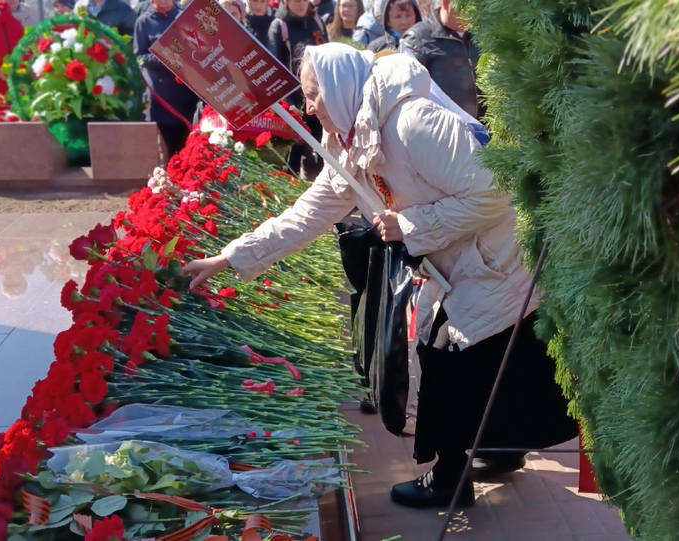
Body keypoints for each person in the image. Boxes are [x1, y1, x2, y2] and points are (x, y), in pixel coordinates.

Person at [181, 44, 578, 509]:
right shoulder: (349, 141)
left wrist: (407, 226)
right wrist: (229, 259)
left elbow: (494, 192)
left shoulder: (412, 121)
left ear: (339, 86)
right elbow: (306, 215)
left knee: (450, 361)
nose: (308, 107)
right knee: (488, 360)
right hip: (461, 259)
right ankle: (501, 449)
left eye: (313, 95)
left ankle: (450, 479)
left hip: (498, 258)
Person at [268, 0, 326, 178]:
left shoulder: (316, 21)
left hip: (319, 97)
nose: (300, 4)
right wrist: (288, 104)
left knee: (324, 150)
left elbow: (328, 56)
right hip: (294, 101)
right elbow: (274, 69)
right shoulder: (279, 26)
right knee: (293, 154)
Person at [133, 0, 198, 156]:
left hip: (186, 94)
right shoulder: (144, 22)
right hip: (161, 96)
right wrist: (168, 57)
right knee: (167, 149)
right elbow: (140, 58)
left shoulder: (183, 17)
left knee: (186, 147)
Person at [400, 0, 481, 119]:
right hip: (444, 128)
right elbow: (407, 94)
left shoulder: (482, 34)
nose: (470, 13)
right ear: (446, 3)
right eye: (464, 7)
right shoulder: (417, 39)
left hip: (487, 130)